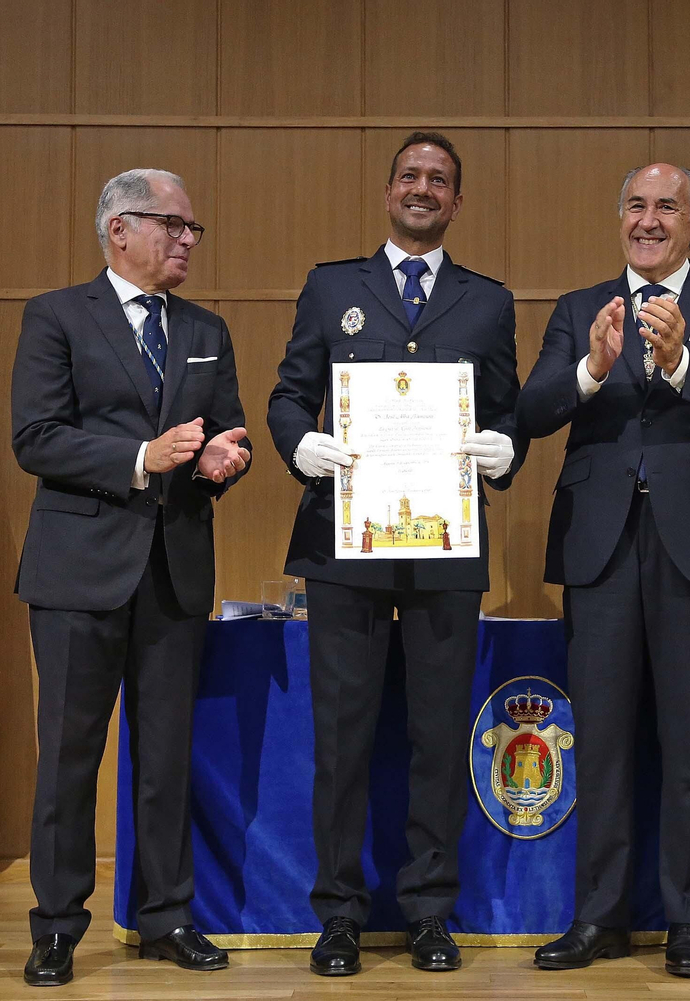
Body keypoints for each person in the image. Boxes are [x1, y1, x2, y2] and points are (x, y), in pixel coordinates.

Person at [267, 132, 525, 977]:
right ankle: (338, 915)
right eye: (410, 176)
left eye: (439, 181)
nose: (423, 189)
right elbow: (288, 393)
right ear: (387, 191)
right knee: (341, 739)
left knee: (439, 736)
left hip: (447, 551)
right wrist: (299, 444)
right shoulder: (332, 285)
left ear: (458, 202)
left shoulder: (488, 301)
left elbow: (510, 411)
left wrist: (504, 447)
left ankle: (428, 913)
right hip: (344, 546)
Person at [517, 163, 690, 979]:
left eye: (668, 207)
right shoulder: (577, 308)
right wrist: (593, 368)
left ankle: (687, 921)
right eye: (637, 205)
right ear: (620, 217)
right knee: (597, 741)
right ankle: (596, 917)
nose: (650, 220)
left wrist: (681, 367)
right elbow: (528, 413)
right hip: (599, 544)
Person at [11, 168, 251, 987]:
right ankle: (55, 925)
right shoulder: (55, 317)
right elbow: (35, 437)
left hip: (174, 573)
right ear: (120, 228)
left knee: (166, 756)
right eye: (174, 225)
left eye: (193, 229)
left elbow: (224, 435)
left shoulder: (207, 326)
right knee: (69, 759)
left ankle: (167, 915)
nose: (188, 239)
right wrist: (139, 457)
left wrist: (224, 460)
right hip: (79, 574)